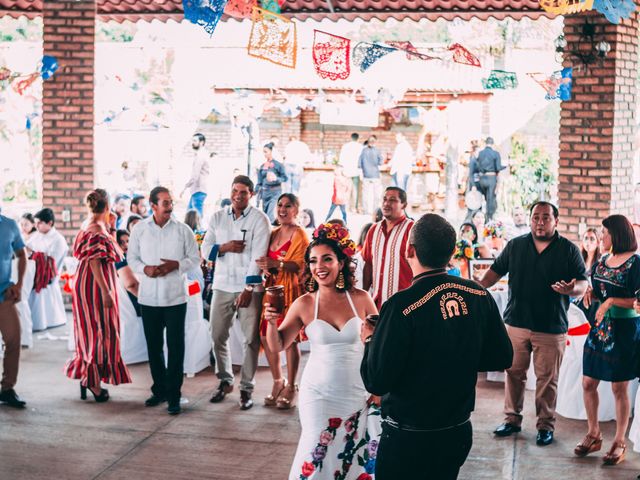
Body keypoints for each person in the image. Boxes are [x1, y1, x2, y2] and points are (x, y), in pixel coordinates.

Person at [360, 213, 513, 479]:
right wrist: (458, 356)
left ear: (410, 250)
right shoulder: (478, 295)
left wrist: (371, 339)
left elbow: (377, 381)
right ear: (452, 252)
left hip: (409, 435)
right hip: (456, 429)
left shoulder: (401, 305)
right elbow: (501, 356)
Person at [263, 222, 380, 480]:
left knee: (353, 456)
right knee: (315, 451)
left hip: (357, 392)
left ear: (341, 262)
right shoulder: (304, 303)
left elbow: (380, 346)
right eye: (314, 261)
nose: (320, 267)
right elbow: (277, 345)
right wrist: (271, 321)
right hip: (318, 394)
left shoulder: (360, 298)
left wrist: (378, 388)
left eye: (327, 259)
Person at [479, 201, 588, 446]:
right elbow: (494, 272)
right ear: (530, 220)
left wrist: (573, 290)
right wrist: (475, 289)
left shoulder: (568, 250)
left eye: (545, 218)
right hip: (517, 322)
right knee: (514, 373)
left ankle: (545, 426)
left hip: (551, 327)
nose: (540, 222)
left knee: (547, 379)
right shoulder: (516, 245)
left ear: (556, 221)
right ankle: (511, 420)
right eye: (536, 217)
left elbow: (583, 283)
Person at [127, 186, 200, 415]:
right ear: (153, 206)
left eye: (171, 202)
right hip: (148, 298)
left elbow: (194, 258)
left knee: (176, 347)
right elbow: (132, 257)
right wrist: (144, 269)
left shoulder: (183, 230)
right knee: (154, 347)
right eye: (165, 203)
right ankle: (159, 390)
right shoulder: (140, 229)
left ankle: (174, 395)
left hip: (175, 298)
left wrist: (175, 265)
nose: (170, 207)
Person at [202, 175, 271, 410]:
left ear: (251, 194)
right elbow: (205, 247)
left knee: (250, 339)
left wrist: (249, 288)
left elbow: (258, 256)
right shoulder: (218, 217)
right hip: (222, 284)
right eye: (235, 191)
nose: (238, 196)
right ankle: (225, 380)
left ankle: (246, 388)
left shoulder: (260, 220)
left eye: (243, 192)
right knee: (217, 334)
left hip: (248, 288)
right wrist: (224, 247)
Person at [575, 215, 640, 465]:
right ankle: (594, 434)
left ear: (617, 235)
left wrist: (612, 301)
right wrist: (593, 292)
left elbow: (637, 302)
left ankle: (620, 440)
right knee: (588, 381)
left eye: (604, 233)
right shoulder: (603, 261)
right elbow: (599, 286)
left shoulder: (635, 263)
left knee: (618, 387)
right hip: (600, 329)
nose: (601, 237)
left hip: (625, 330)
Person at [65, 189, 132, 403]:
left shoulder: (94, 224)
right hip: (94, 284)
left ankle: (90, 378)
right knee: (99, 329)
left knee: (94, 329)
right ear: (108, 204)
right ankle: (92, 382)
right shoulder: (95, 228)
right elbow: (95, 261)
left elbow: (105, 251)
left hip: (90, 281)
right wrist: (105, 291)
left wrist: (111, 226)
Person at [255, 193, 309, 409]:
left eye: (288, 206)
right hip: (271, 288)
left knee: (289, 339)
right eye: (280, 205)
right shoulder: (273, 232)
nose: (282, 209)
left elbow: (300, 265)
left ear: (296, 210)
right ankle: (278, 380)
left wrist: (276, 263)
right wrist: (267, 266)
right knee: (265, 335)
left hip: (290, 291)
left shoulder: (300, 235)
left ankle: (292, 385)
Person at [362, 187, 414, 310]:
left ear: (404, 205)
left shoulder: (412, 229)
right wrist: (363, 295)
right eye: (384, 199)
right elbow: (368, 264)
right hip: (377, 305)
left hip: (404, 305)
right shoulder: (373, 230)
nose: (386, 204)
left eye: (392, 200)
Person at [0, 207, 28, 408]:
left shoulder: (9, 225)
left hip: (4, 294)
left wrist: (18, 284)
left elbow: (22, 255)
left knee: (14, 339)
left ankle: (7, 388)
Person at [27, 208, 69, 331]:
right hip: (33, 269)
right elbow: (27, 247)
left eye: (39, 223)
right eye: (35, 223)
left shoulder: (58, 240)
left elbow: (51, 262)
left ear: (50, 223)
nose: (36, 225)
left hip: (47, 275)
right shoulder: (37, 235)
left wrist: (33, 253)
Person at [256, 143, 288, 223]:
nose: (264, 154)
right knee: (265, 215)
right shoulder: (262, 166)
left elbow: (285, 178)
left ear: (271, 151)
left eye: (266, 151)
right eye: (263, 152)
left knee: (270, 214)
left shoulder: (278, 165)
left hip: (275, 192)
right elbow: (259, 182)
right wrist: (254, 191)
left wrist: (276, 179)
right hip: (265, 193)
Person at [181, 133, 210, 218]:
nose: (192, 143)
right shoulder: (203, 154)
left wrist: (184, 188)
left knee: (196, 215)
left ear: (201, 142)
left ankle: (199, 230)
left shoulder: (200, 156)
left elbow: (195, 176)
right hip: (198, 190)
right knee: (189, 215)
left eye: (195, 141)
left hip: (198, 189)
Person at [476, 137, 505, 220]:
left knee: (485, 197)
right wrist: (506, 166)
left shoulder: (480, 153)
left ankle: (483, 215)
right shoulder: (495, 153)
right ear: (493, 144)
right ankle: (489, 217)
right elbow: (498, 168)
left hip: (482, 178)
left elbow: (478, 165)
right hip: (491, 178)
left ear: (485, 143)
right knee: (490, 198)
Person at [359, 135, 384, 215]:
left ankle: (366, 211)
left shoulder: (363, 150)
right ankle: (375, 211)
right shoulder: (377, 151)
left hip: (366, 175)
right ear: (375, 142)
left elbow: (359, 163)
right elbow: (381, 162)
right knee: (376, 194)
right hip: (375, 175)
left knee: (365, 194)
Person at [339, 132, 363, 213]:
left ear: (351, 138)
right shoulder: (361, 147)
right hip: (356, 171)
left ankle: (346, 208)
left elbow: (341, 160)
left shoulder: (345, 146)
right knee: (355, 190)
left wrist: (342, 170)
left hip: (347, 172)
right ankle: (354, 208)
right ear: (358, 138)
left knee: (347, 190)